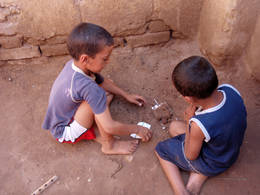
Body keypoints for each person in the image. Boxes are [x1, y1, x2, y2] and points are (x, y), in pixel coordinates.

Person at [42, 22, 152, 155]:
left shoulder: (74, 65)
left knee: (105, 92)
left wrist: (126, 95)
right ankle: (109, 145)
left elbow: (102, 81)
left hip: (64, 115)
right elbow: (110, 127)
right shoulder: (88, 87)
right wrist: (137, 129)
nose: (108, 61)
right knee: (99, 96)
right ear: (85, 59)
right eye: (105, 59)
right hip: (64, 131)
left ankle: (95, 125)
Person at [155, 56, 247, 195]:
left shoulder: (199, 124)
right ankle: (199, 176)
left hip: (213, 160)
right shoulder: (230, 90)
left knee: (161, 149)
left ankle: (180, 191)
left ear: (188, 98)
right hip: (228, 153)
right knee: (174, 126)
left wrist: (189, 123)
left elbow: (190, 155)